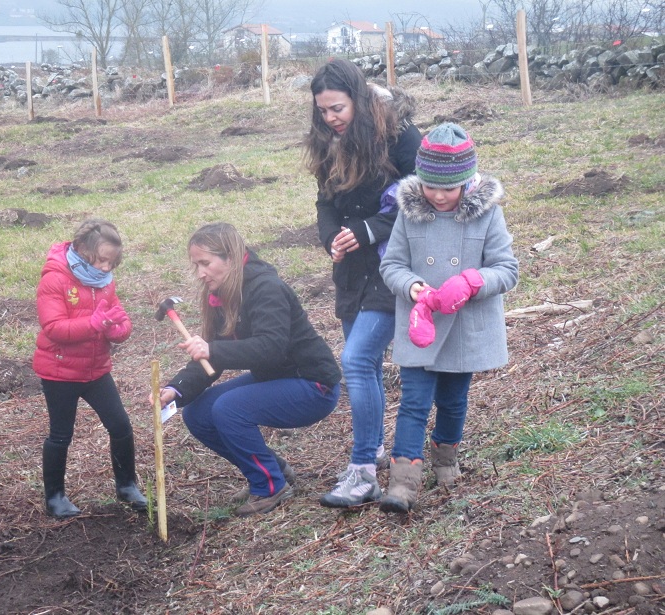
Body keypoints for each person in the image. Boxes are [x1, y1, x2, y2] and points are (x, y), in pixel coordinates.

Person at [378, 123, 519, 513]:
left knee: (454, 401)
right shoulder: (410, 215)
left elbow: (507, 269)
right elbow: (391, 265)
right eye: (430, 186)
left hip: (463, 328)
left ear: (467, 182)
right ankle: (403, 482)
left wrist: (474, 280)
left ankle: (445, 455)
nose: (438, 196)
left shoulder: (488, 216)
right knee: (413, 401)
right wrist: (414, 288)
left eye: (448, 188)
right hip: (420, 325)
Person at [155, 222, 342, 517]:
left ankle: (269, 486)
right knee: (198, 413)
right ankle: (271, 469)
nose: (200, 272)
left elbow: (271, 348)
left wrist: (213, 349)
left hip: (313, 385)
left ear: (230, 257)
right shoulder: (220, 294)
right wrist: (175, 389)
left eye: (206, 263)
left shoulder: (266, 288)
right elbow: (210, 361)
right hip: (275, 379)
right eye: (196, 265)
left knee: (228, 408)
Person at [304, 59, 422, 508]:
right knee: (365, 366)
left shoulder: (400, 135)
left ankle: (361, 472)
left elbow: (425, 195)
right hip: (352, 270)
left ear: (357, 97)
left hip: (394, 263)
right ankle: (370, 454)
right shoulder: (330, 143)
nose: (331, 118)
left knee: (354, 360)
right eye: (323, 111)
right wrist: (329, 236)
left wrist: (371, 228)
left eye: (337, 108)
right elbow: (325, 200)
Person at [32, 218, 147, 518]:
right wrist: (92, 324)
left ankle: (127, 486)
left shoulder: (105, 282)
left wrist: (117, 329)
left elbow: (118, 320)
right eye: (102, 260)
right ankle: (55, 497)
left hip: (96, 370)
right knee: (61, 434)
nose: (107, 268)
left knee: (121, 427)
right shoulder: (55, 279)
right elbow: (54, 328)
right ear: (82, 250)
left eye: (113, 262)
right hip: (59, 372)